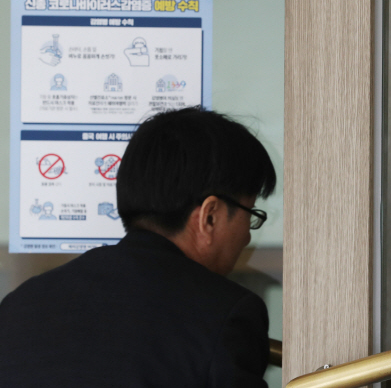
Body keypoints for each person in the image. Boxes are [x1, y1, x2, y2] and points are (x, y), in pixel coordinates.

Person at [0, 107, 276, 387]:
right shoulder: (225, 313)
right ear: (210, 216)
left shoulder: (19, 306)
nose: (247, 238)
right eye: (251, 215)